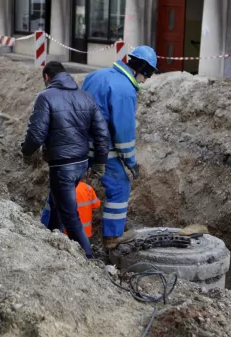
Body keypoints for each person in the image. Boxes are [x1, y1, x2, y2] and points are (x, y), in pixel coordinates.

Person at [21, 61, 110, 258]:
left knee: (70, 217)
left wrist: (26, 152)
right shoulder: (86, 97)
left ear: (46, 77)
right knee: (57, 205)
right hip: (81, 164)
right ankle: (51, 241)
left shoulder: (46, 97)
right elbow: (102, 134)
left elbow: (36, 135)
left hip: (62, 167)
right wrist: (99, 163)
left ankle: (89, 260)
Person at [81, 45, 158, 249]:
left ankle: (52, 229)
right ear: (144, 70)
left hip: (78, 144)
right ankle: (112, 237)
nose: (145, 81)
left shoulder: (96, 75)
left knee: (69, 186)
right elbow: (123, 133)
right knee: (120, 186)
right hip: (100, 149)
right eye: (147, 76)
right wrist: (130, 162)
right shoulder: (125, 90)